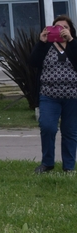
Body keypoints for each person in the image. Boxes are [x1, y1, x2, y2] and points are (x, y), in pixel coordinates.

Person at [31, 15, 77, 174]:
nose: (61, 30)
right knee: (48, 127)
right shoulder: (47, 46)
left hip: (73, 97)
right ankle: (47, 163)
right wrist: (41, 42)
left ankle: (69, 167)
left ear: (70, 30)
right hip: (49, 95)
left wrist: (71, 41)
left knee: (70, 131)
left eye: (65, 27)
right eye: (57, 27)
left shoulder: (74, 44)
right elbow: (33, 63)